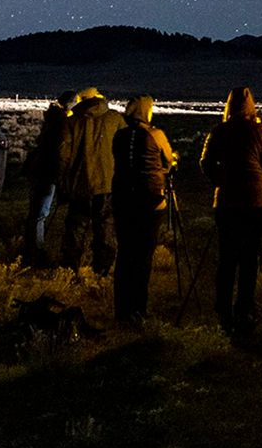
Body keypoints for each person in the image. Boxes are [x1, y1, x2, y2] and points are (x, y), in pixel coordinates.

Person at [200, 86, 262, 337]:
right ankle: (244, 310)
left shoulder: (219, 132)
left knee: (227, 258)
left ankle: (223, 311)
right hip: (256, 204)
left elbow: (205, 162)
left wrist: (219, 181)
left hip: (227, 202)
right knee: (249, 259)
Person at [111, 96, 175, 324]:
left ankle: (121, 309)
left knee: (125, 254)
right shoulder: (155, 135)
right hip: (150, 202)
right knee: (143, 256)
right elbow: (167, 162)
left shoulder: (120, 135)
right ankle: (138, 309)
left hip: (122, 200)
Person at [56, 87, 124, 274]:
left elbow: (63, 155)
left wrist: (61, 181)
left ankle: (70, 268)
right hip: (107, 183)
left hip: (79, 184)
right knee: (105, 227)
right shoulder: (115, 119)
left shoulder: (71, 122)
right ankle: (102, 269)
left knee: (76, 228)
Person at [22, 89, 75, 266]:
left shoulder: (52, 118)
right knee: (41, 212)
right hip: (47, 171)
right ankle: (36, 250)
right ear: (70, 103)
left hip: (37, 169)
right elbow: (59, 152)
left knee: (35, 211)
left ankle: (29, 246)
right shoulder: (62, 123)